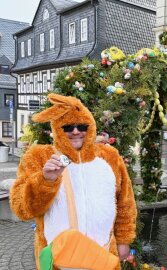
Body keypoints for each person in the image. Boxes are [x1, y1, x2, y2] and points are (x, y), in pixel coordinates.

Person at [10, 94, 136, 270]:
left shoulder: (110, 157)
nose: (75, 131)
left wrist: (123, 239)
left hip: (102, 257)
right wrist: (45, 181)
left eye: (82, 126)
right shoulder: (39, 157)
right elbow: (22, 209)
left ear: (90, 127)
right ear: (57, 129)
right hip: (58, 261)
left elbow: (125, 203)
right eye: (68, 127)